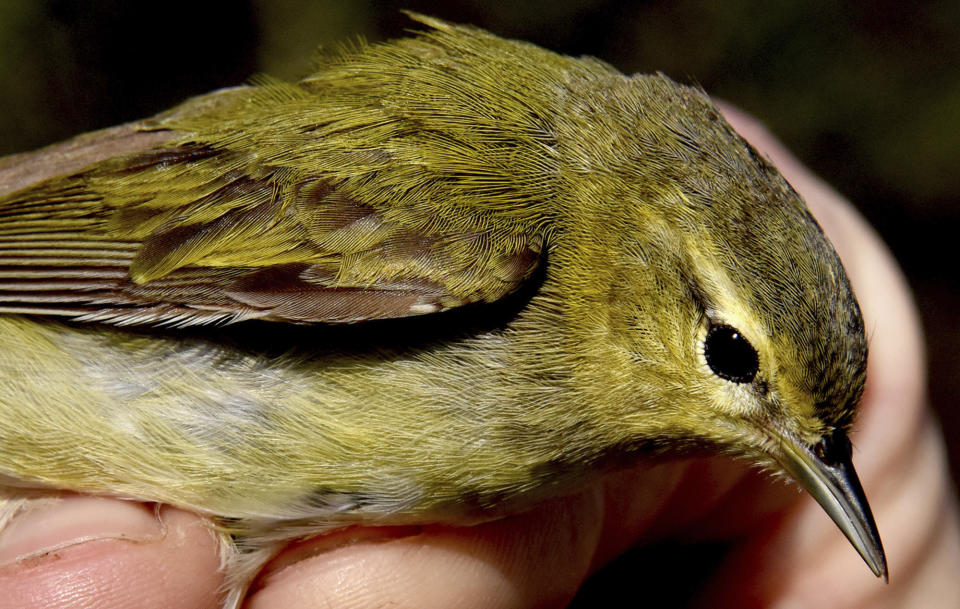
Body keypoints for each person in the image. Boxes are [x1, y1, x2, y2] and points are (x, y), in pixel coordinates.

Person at [0, 107, 956, 609]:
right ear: (641, 267)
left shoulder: (612, 437)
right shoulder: (474, 228)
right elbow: (130, 238)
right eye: (729, 354)